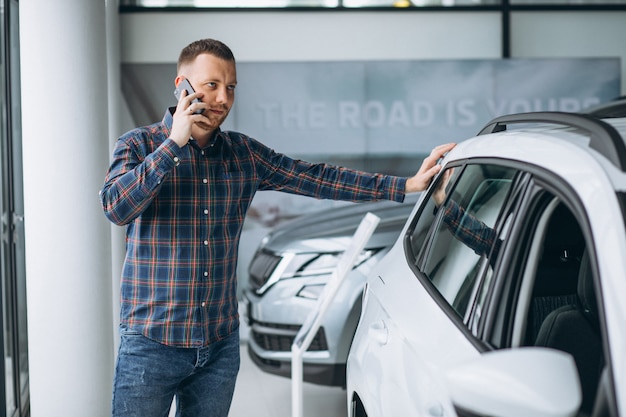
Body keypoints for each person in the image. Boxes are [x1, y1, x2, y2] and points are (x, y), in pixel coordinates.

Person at [100, 38, 455, 417]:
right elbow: (116, 207)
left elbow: (318, 178)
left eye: (231, 87)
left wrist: (405, 186)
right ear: (181, 85)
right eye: (211, 85)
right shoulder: (139, 145)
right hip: (151, 343)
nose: (223, 98)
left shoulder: (244, 154)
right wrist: (173, 145)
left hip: (218, 345)